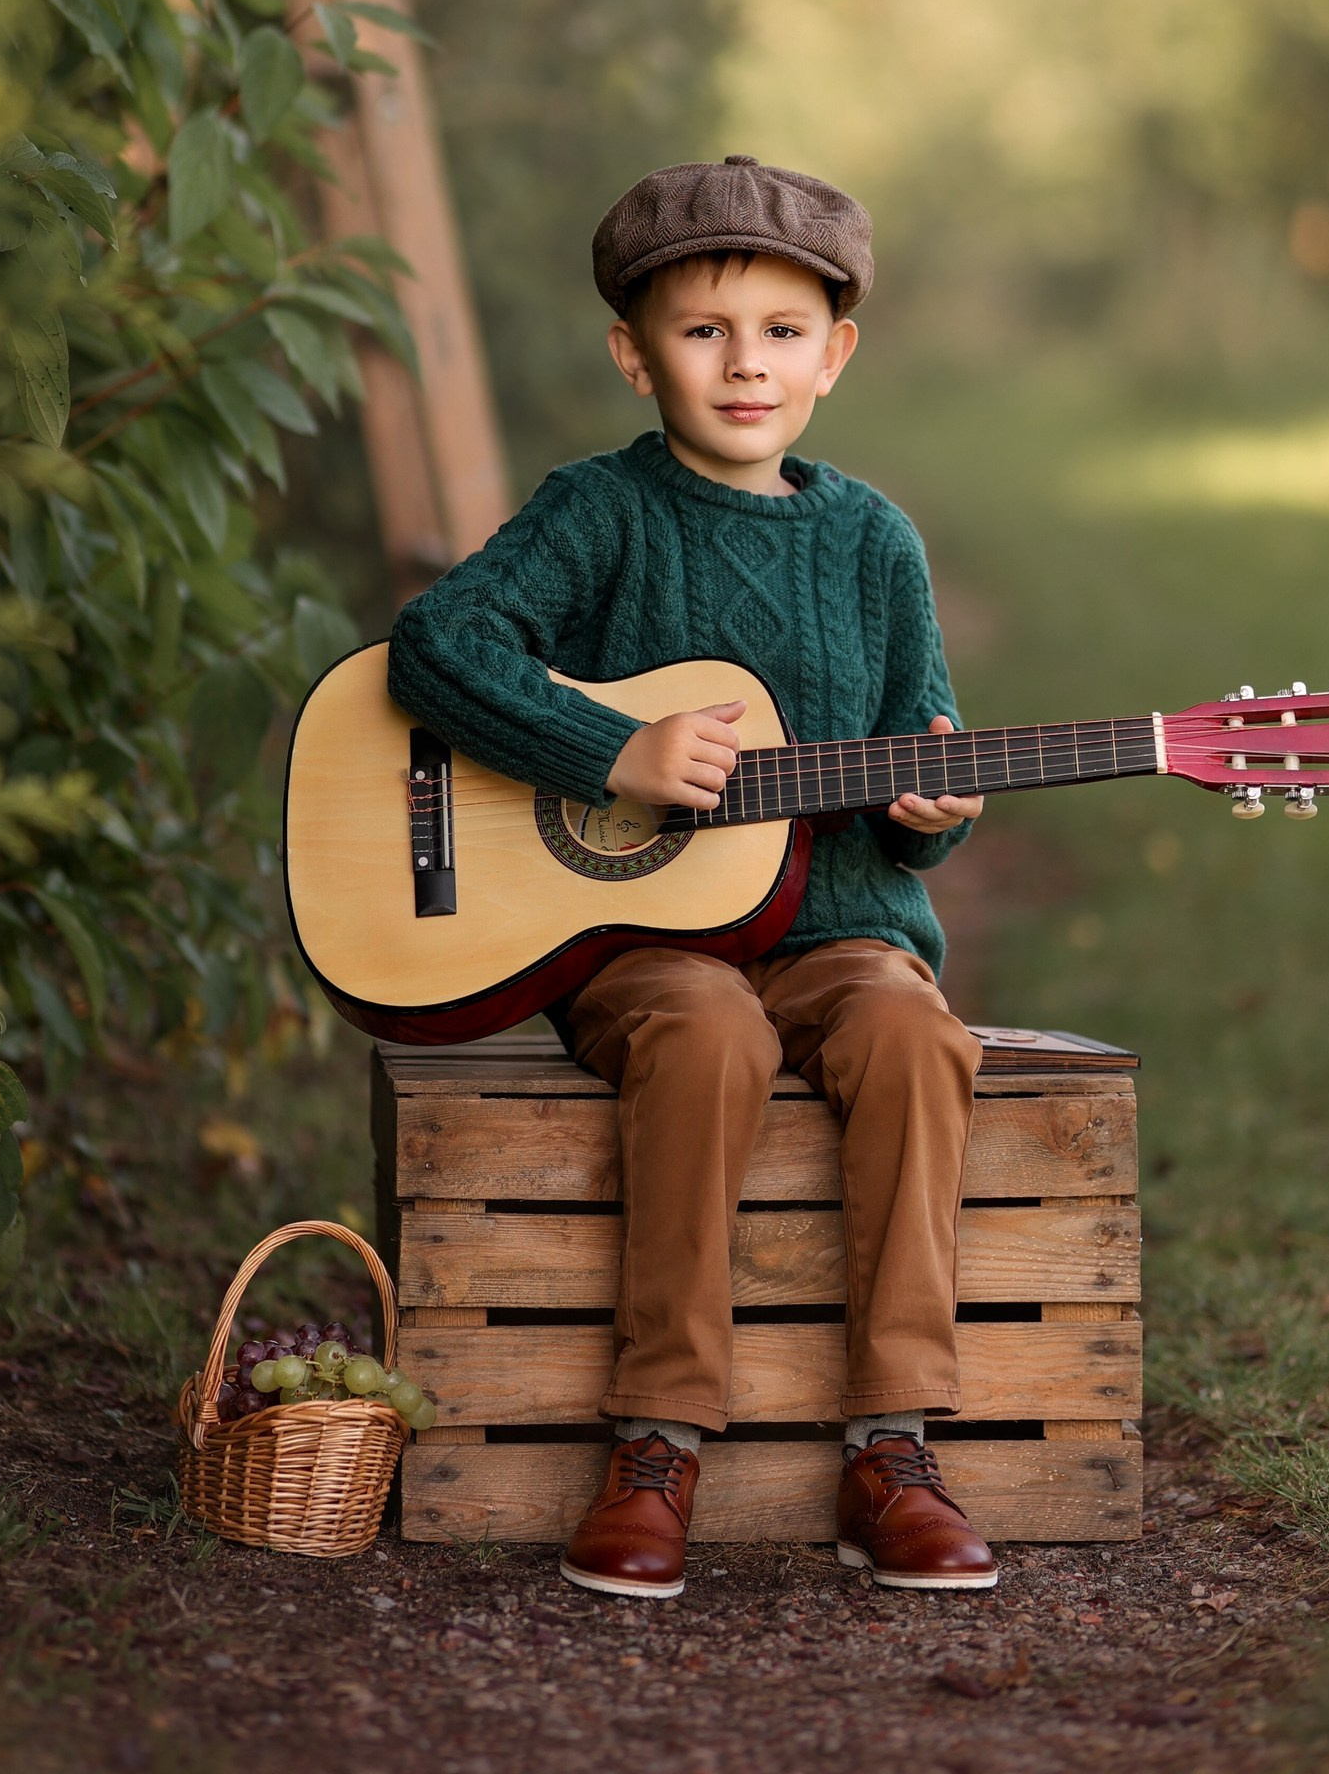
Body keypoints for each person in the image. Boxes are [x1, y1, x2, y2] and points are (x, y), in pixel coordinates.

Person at [387, 155, 996, 1600]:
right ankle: (657, 1444)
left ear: (834, 355)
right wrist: (611, 753)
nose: (745, 365)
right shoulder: (597, 513)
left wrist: (931, 803)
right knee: (710, 1030)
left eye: (782, 332)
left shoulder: (873, 544)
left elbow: (928, 748)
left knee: (917, 1030)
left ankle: (893, 1445)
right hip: (644, 954)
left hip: (839, 934)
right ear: (632, 351)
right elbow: (435, 647)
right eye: (704, 331)